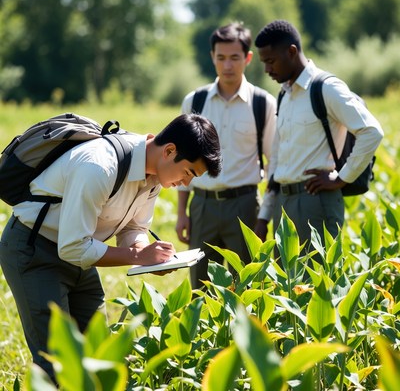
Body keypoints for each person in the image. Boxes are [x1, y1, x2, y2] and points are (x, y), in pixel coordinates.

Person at [0, 113, 222, 382]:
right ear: (169, 150)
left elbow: (133, 229)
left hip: (79, 253)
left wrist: (150, 256)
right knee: (56, 363)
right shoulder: (99, 166)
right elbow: (73, 247)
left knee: (103, 355)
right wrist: (138, 255)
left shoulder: (154, 175)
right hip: (34, 250)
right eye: (188, 172)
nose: (186, 183)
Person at [254, 19, 384, 252]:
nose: (267, 69)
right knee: (289, 287)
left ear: (292, 52)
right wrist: (264, 216)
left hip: (316, 202)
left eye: (270, 61)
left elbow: (371, 131)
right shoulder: (284, 95)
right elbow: (277, 159)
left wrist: (342, 178)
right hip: (283, 205)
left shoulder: (326, 88)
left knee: (318, 285)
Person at [175, 22, 276, 289]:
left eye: (234, 58)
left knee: (247, 288)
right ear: (212, 57)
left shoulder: (263, 103)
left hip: (244, 206)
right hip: (202, 206)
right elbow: (183, 162)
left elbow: (274, 163)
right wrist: (181, 212)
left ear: (248, 58)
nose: (227, 65)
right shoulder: (194, 101)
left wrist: (264, 217)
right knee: (200, 288)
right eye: (221, 58)